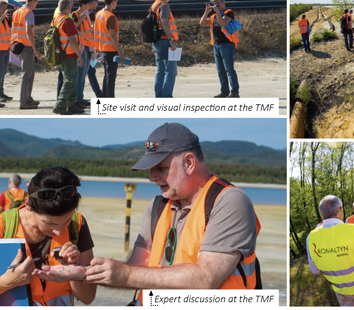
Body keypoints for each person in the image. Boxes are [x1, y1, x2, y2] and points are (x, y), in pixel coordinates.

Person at [86, 123, 260, 304]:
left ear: (189, 163)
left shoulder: (230, 201)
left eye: (161, 168)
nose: (151, 177)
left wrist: (124, 274)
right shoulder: (157, 206)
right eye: (151, 169)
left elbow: (206, 278)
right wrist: (85, 272)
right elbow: (135, 268)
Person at [0, 166, 96, 306]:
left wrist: (74, 272)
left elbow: (88, 297)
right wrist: (5, 282)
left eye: (66, 221)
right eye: (50, 224)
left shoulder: (77, 224)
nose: (60, 232)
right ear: (28, 204)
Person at [200, 0, 240, 98]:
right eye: (214, 3)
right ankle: (224, 91)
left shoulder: (228, 13)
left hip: (227, 45)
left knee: (229, 69)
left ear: (223, 2)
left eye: (218, 2)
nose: (216, 5)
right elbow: (202, 23)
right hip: (217, 45)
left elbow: (223, 23)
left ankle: (235, 92)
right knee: (220, 70)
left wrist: (217, 12)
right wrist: (206, 12)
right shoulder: (213, 16)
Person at [53, 0, 85, 115]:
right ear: (68, 8)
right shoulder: (68, 21)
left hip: (61, 54)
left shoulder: (56, 20)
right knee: (70, 80)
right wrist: (79, 55)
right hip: (69, 54)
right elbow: (72, 40)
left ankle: (71, 105)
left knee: (72, 79)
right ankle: (60, 104)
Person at [11, 0, 42, 110]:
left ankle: (28, 98)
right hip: (26, 46)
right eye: (36, 3)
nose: (36, 6)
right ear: (33, 1)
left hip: (16, 45)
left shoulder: (17, 12)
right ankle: (24, 101)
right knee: (26, 74)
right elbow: (29, 31)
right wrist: (35, 49)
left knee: (30, 73)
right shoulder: (29, 13)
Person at [94, 0, 123, 98]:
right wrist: (120, 52)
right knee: (111, 77)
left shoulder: (99, 14)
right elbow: (113, 36)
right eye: (116, 2)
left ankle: (104, 97)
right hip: (110, 50)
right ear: (113, 1)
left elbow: (96, 33)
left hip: (101, 49)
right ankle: (110, 100)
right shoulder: (110, 17)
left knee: (107, 75)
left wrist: (96, 48)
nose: (116, 4)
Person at [151, 0, 178, 98]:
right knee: (171, 72)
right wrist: (171, 39)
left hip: (157, 42)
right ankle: (166, 98)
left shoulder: (154, 5)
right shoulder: (164, 6)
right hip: (165, 42)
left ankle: (159, 96)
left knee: (160, 71)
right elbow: (164, 23)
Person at [72, 0, 94, 108]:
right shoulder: (75, 15)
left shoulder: (86, 15)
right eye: (89, 3)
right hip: (81, 48)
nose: (91, 5)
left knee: (83, 74)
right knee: (80, 74)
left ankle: (80, 97)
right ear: (83, 4)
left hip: (87, 47)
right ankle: (77, 99)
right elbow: (72, 29)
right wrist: (80, 20)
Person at [54, 0, 75, 99]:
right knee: (68, 79)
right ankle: (61, 102)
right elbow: (70, 36)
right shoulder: (65, 17)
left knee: (63, 78)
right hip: (68, 52)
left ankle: (67, 102)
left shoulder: (56, 16)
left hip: (60, 51)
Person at [0, 1, 13, 102]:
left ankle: (1, 92)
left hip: (6, 48)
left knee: (3, 71)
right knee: (0, 71)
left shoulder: (5, 19)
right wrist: (3, 15)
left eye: (6, 8)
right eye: (3, 8)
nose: (5, 10)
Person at [86, 0, 103, 98]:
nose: (95, 8)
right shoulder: (84, 14)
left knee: (91, 72)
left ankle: (98, 93)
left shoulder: (87, 14)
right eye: (94, 5)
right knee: (90, 72)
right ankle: (98, 94)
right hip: (85, 49)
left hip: (88, 49)